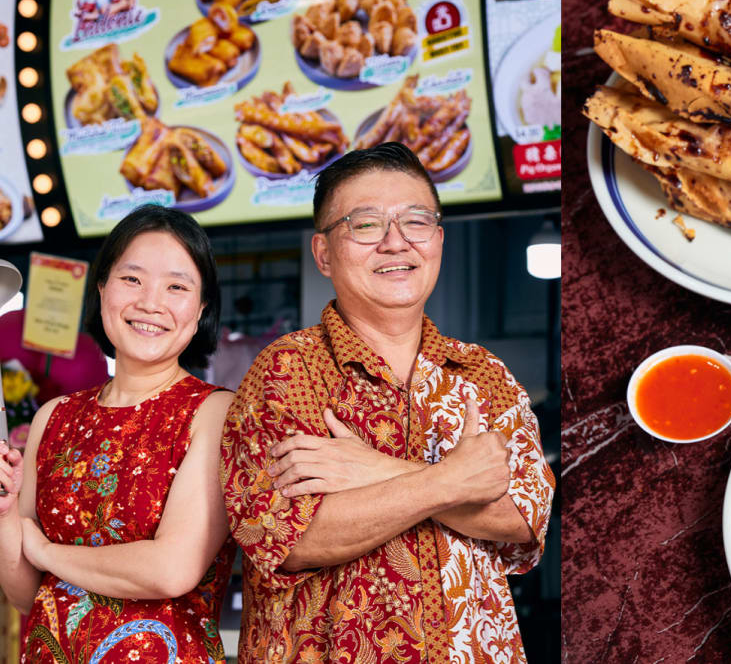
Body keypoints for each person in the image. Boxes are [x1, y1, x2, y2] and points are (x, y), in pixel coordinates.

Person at [221, 143, 555, 662]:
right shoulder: (287, 370)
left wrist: (372, 469)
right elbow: (281, 537)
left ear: (438, 240)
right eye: (366, 224)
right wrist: (451, 481)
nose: (396, 242)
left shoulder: (484, 375)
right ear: (325, 253)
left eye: (416, 221)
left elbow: (525, 518)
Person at [0, 205, 236, 662]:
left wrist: (44, 551)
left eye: (176, 286)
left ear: (200, 309)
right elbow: (25, 595)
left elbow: (172, 569)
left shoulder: (214, 412)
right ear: (102, 288)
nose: (151, 303)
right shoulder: (53, 418)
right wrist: (1, 511)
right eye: (132, 279)